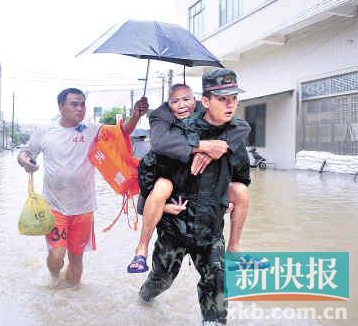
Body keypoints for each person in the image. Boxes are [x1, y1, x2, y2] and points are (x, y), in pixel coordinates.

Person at [138, 69, 251, 325]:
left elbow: (242, 178)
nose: (230, 103)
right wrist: (160, 205)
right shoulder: (181, 132)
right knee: (161, 280)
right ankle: (144, 297)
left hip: (210, 229)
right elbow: (148, 170)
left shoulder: (236, 136)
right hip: (175, 227)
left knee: (218, 283)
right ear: (205, 101)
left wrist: (230, 195)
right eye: (222, 98)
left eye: (233, 97)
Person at [17, 88, 148, 286]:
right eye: (74, 104)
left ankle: (70, 299)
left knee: (76, 259)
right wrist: (26, 161)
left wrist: (136, 115)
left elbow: (123, 131)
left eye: (83, 104)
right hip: (54, 207)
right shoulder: (46, 132)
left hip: (83, 208)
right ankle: (53, 279)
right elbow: (25, 152)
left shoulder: (92, 130)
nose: (80, 109)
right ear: (61, 107)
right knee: (56, 255)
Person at [127, 82, 250, 273]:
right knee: (160, 280)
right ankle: (141, 249)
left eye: (186, 99)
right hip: (174, 211)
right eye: (175, 101)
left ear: (199, 101)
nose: (182, 105)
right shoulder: (166, 126)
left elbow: (242, 131)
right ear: (168, 104)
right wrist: (202, 146)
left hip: (207, 217)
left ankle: (234, 250)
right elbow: (149, 170)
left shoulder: (216, 124)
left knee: (240, 192)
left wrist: (217, 149)